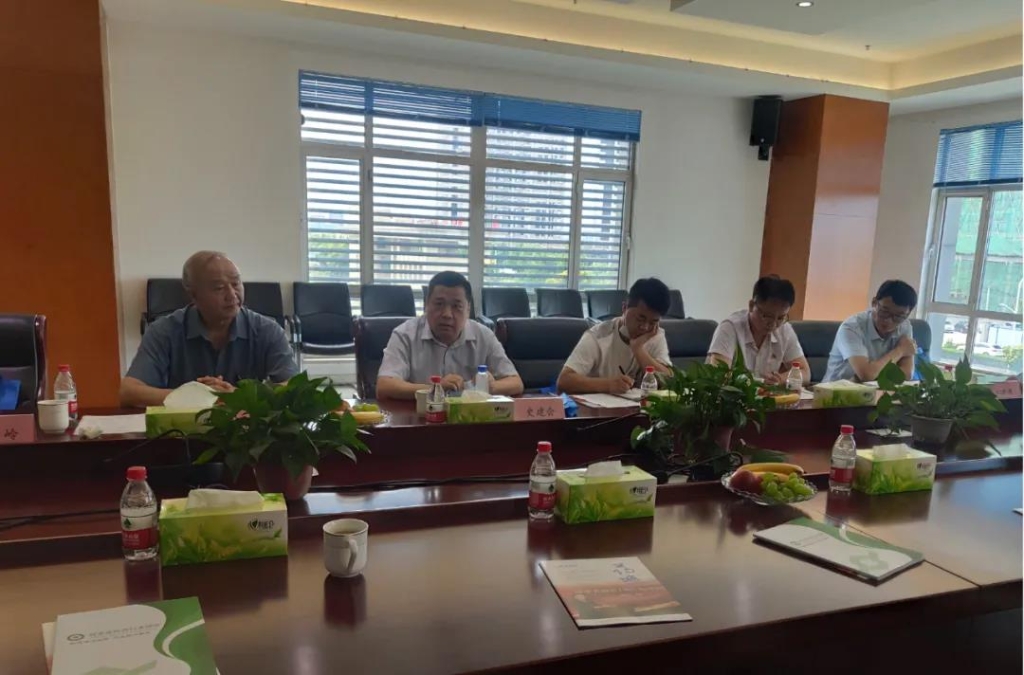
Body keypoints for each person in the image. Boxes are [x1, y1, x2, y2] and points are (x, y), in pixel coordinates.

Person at [120, 251, 298, 407]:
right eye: (219, 288)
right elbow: (128, 392)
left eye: (236, 283)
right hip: (183, 429)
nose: (232, 295)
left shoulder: (267, 330)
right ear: (193, 295)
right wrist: (194, 397)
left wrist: (237, 396)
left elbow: (293, 388)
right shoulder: (164, 331)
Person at [375, 271, 524, 400]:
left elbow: (515, 383)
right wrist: (435, 388)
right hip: (420, 417)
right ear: (426, 305)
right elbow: (384, 386)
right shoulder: (405, 334)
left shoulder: (484, 335)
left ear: (468, 309)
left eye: (456, 306)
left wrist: (490, 387)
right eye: (439, 304)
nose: (447, 314)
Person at [557, 278, 672, 395]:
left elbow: (670, 382)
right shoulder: (598, 335)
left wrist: (638, 350)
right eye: (640, 318)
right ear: (624, 308)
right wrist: (608, 385)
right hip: (599, 404)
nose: (645, 327)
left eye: (653, 322)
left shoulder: (655, 334)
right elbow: (564, 381)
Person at [706, 275, 810, 385]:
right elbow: (719, 376)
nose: (773, 324)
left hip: (766, 395)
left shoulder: (784, 330)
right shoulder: (729, 328)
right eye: (767, 316)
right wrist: (759, 383)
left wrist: (780, 379)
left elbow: (805, 373)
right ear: (751, 305)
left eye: (780, 318)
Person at [823, 279, 918, 383]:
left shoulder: (905, 326)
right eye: (884, 312)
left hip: (875, 389)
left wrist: (873, 372)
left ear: (907, 314)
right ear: (874, 303)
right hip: (836, 389)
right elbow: (866, 375)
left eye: (898, 316)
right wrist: (900, 351)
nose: (889, 321)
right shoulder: (851, 327)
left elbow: (906, 375)